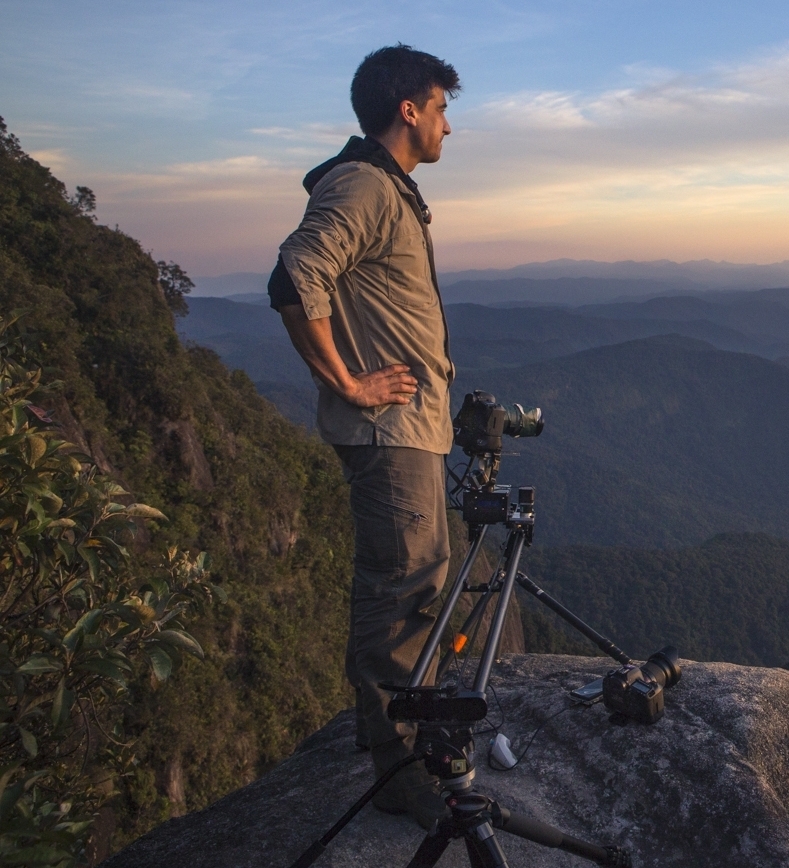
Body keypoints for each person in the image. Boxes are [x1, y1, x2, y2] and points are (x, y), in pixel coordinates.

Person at [268, 44, 460, 831]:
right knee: (400, 592)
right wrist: (347, 382)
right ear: (407, 110)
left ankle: (396, 744)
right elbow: (294, 277)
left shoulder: (387, 190)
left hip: (408, 430)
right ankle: (400, 773)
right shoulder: (363, 185)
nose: (450, 124)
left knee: (412, 583)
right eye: (442, 107)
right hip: (388, 431)